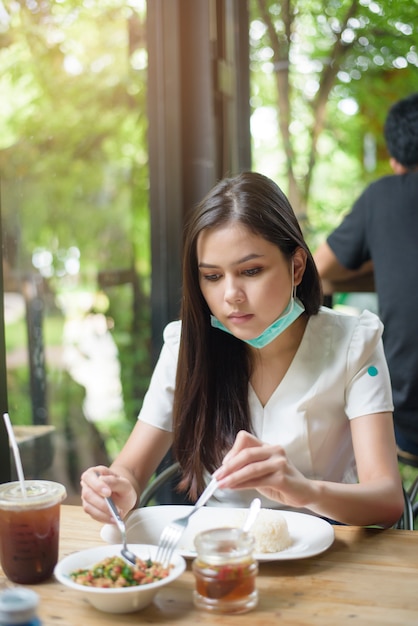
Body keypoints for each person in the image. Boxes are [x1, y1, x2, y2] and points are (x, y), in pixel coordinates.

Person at [81, 171, 403, 528]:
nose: (230, 295)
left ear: (296, 267)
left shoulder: (353, 343)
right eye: (213, 276)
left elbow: (387, 500)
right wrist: (116, 488)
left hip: (327, 554)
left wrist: (306, 491)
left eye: (250, 271)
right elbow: (131, 469)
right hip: (216, 552)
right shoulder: (186, 346)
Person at [314, 93, 418, 465]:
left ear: (394, 158)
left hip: (408, 418)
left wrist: (384, 252)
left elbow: (316, 270)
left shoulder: (382, 197)